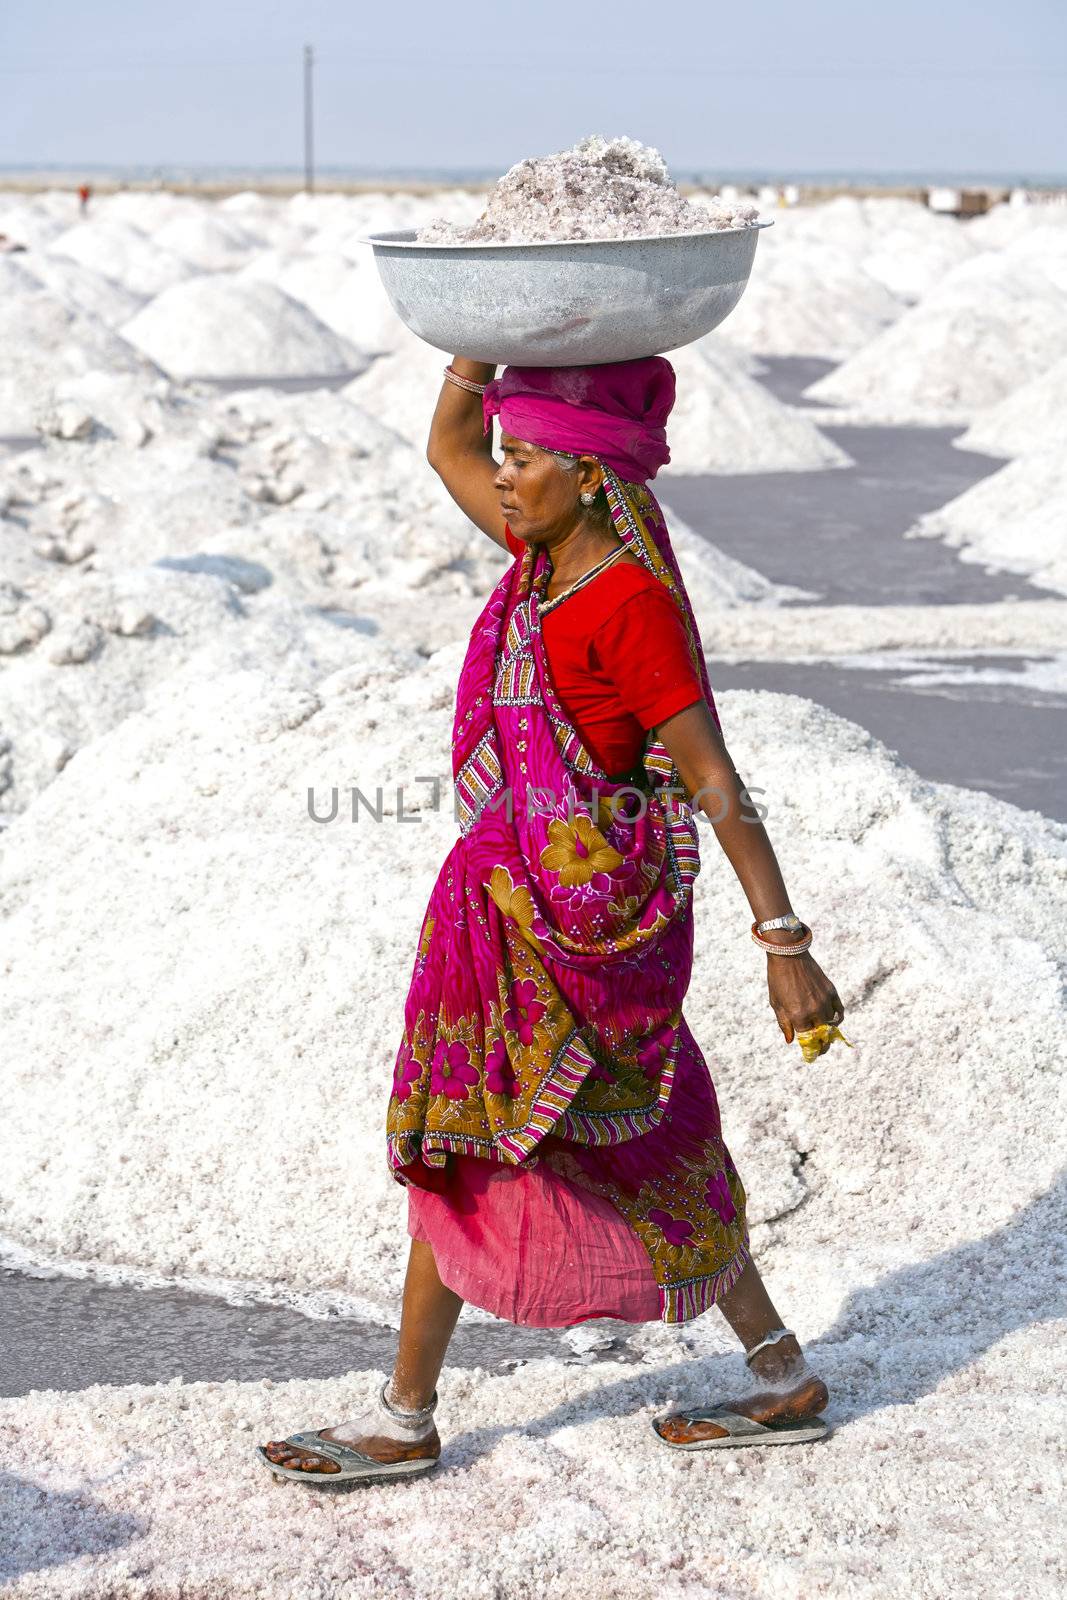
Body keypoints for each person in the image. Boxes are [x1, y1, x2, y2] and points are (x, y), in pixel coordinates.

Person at [258, 354, 846, 1484]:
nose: (504, 476)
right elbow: (445, 446)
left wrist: (784, 945)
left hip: (590, 944)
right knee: (472, 1142)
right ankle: (766, 1374)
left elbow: (712, 778)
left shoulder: (624, 606)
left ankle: (410, 1419)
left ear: (586, 473)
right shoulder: (540, 565)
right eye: (509, 455)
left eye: (523, 457)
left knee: (624, 1150)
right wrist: (474, 345)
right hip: (503, 933)